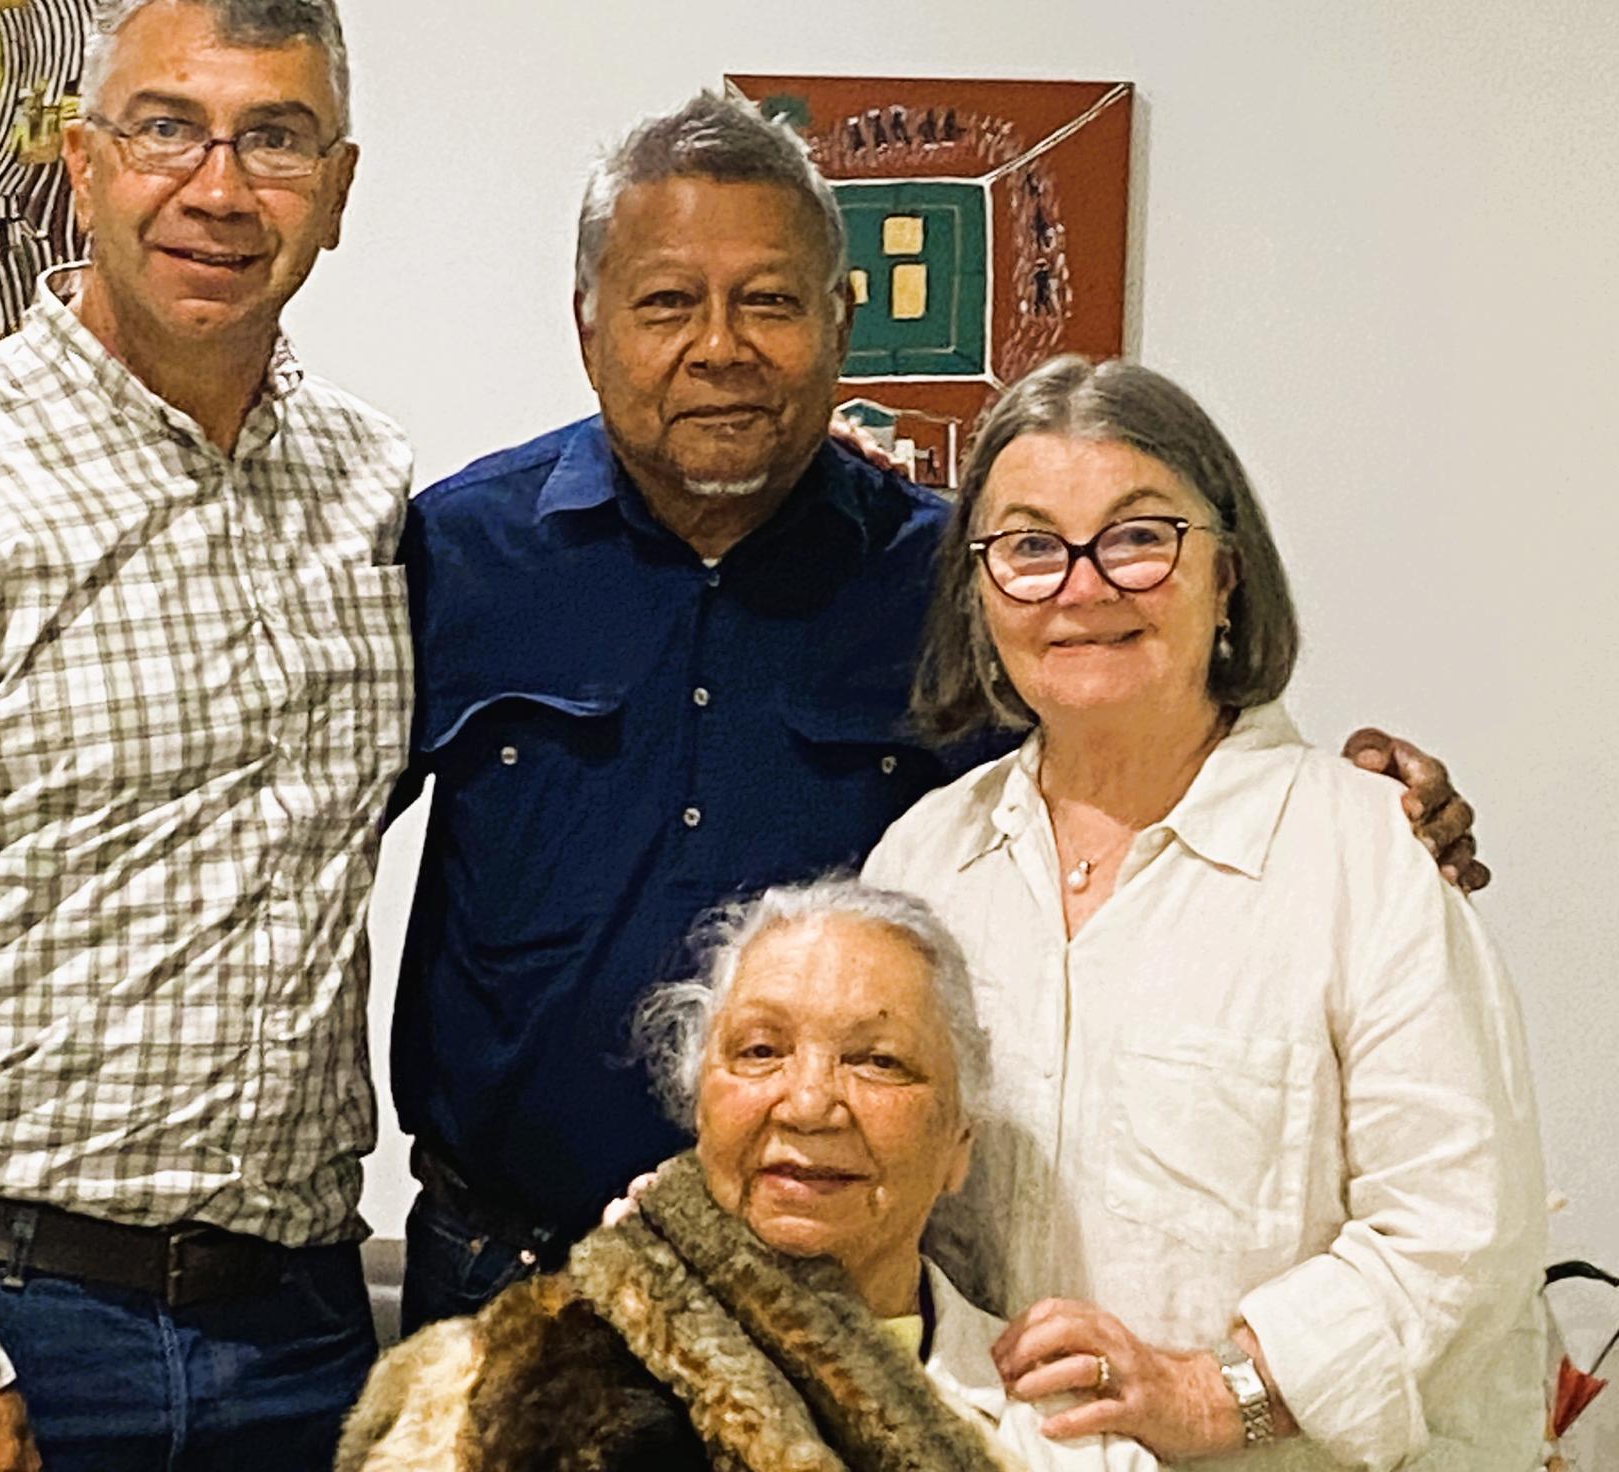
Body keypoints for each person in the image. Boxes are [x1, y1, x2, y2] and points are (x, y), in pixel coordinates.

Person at [390, 91, 1485, 1332]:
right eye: (666, 303)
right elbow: (308, 834)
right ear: (589, 329)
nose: (720, 344)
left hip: (826, 1294)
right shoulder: (459, 555)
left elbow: (1133, 744)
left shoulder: (951, 578)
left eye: (770, 300)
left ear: (841, 321)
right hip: (507, 1268)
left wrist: (1368, 808)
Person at [0, 0, 409, 1466]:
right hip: (19, 1327)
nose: (220, 188)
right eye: (168, 127)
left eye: (277, 140)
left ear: (340, 192)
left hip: (307, 1328)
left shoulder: (372, 483)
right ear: (80, 164)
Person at [862, 354, 1547, 1469]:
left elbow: (1461, 1232)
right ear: (980, 592)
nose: (1083, 586)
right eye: (1030, 546)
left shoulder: (1366, 855)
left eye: (1139, 535)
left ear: (1227, 571)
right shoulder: (923, 867)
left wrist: (1220, 1394)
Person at [338, 877, 1159, 1471]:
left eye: (877, 1061)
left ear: (959, 1147)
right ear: (701, 1106)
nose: (808, 1104)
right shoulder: (505, 1387)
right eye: (761, 1051)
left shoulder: (1067, 1440)